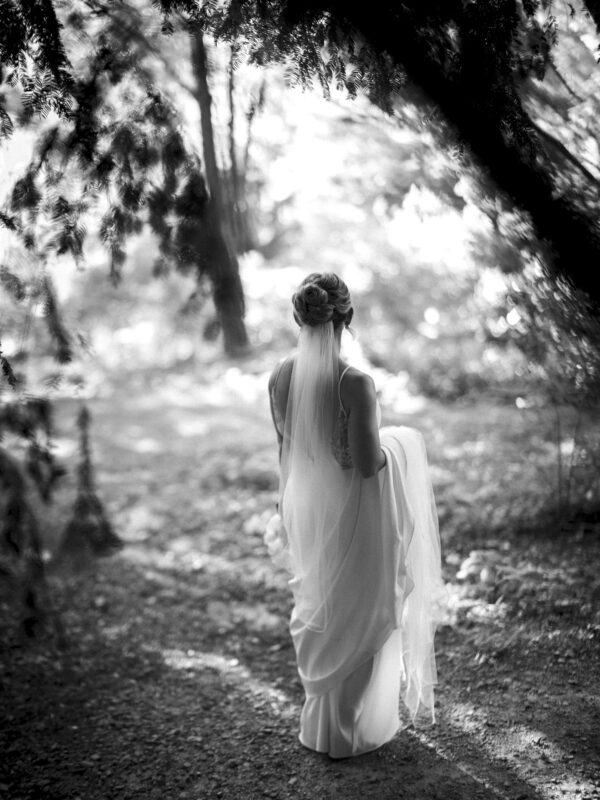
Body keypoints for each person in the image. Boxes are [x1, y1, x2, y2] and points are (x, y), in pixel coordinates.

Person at [266, 272, 445, 759]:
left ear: (299, 318)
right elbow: (368, 464)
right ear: (347, 317)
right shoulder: (355, 384)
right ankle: (349, 730)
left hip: (307, 509)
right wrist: (405, 443)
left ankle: (323, 727)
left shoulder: (280, 376)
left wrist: (285, 509)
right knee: (359, 610)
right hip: (354, 514)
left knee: (324, 608)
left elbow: (286, 452)